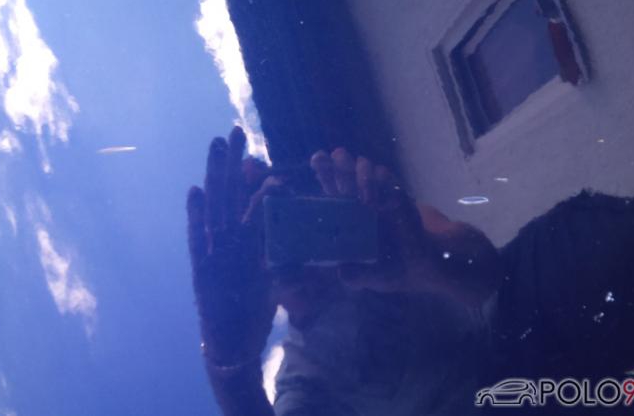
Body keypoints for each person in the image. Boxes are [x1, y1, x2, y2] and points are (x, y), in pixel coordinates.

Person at [186, 126, 502, 415]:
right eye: (254, 235)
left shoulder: (385, 237)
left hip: (507, 337)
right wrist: (230, 368)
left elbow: (491, 273)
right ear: (245, 276)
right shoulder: (304, 377)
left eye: (276, 210)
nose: (270, 241)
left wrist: (429, 259)